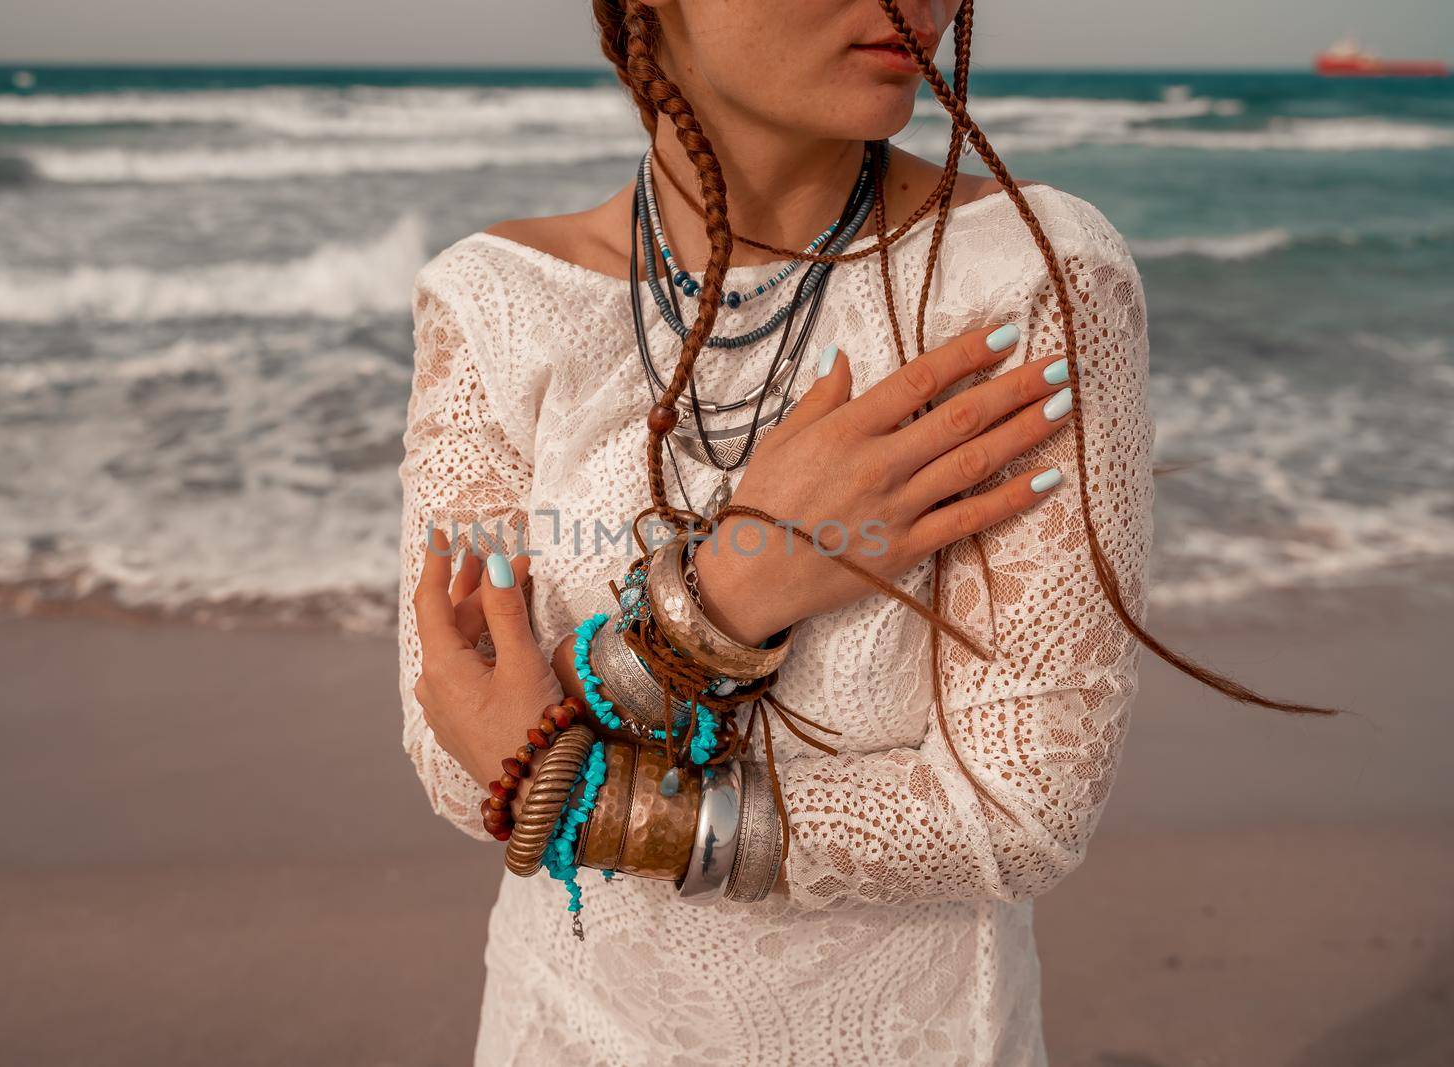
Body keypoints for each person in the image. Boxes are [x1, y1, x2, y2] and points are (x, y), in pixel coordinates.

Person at [398, 2, 1335, 1063]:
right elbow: (453, 741)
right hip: (558, 1026)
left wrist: (586, 797)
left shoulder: (1027, 279)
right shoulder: (497, 302)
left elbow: (1019, 809)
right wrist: (728, 593)